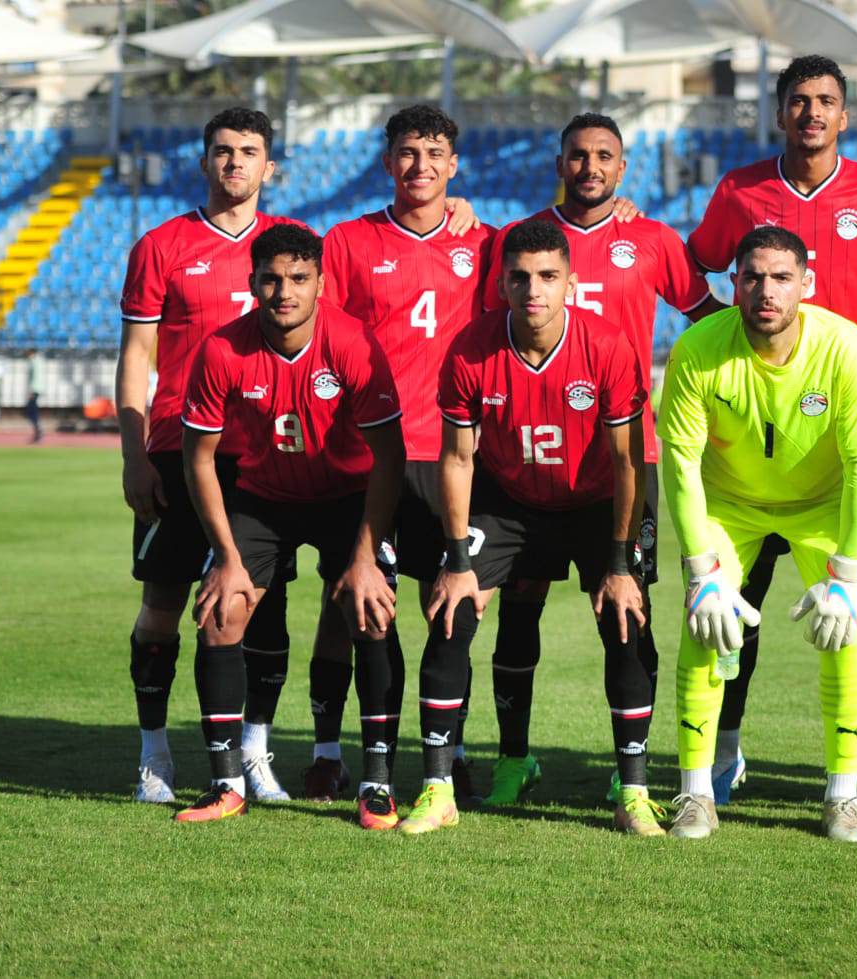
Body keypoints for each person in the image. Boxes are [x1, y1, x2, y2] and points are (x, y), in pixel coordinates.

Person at [686, 54, 857, 805]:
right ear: (780, 113)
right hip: (754, 426)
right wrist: (715, 328)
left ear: (844, 116)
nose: (811, 112)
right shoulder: (739, 191)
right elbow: (691, 265)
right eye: (798, 100)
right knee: (736, 601)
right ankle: (726, 749)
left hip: (849, 428)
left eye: (825, 101)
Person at [475, 112, 722, 806]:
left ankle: (629, 768)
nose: (590, 166)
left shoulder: (649, 239)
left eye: (603, 156)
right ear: (561, 162)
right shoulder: (520, 242)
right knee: (517, 610)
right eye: (578, 155)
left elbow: (709, 318)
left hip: (619, 464)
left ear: (623, 168)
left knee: (625, 608)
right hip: (523, 466)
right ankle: (514, 758)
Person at [424, 220, 657, 835]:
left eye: (548, 276)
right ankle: (447, 785)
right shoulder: (471, 347)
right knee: (452, 613)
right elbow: (456, 458)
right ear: (501, 283)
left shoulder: (606, 346)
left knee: (627, 620)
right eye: (521, 277)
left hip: (597, 503)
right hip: (510, 502)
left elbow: (628, 462)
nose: (534, 289)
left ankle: (631, 787)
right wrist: (455, 560)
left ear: (570, 283)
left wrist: (619, 563)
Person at [658, 226, 857, 842]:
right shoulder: (697, 349)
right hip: (730, 506)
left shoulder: (846, 347)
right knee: (705, 628)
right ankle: (696, 793)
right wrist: (702, 573)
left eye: (782, 277)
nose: (767, 290)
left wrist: (847, 575)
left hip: (823, 504)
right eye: (753, 276)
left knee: (844, 633)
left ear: (807, 284)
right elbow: (679, 464)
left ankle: (842, 798)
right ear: (733, 284)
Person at [176, 224, 406, 826]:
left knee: (372, 608)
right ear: (251, 282)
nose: (285, 291)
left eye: (299, 279)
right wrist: (225, 556)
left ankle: (377, 783)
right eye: (272, 279)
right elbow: (198, 459)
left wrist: (364, 556)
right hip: (263, 498)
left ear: (320, 284)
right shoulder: (222, 349)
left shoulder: (354, 343)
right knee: (223, 610)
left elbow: (390, 460)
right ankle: (226, 783)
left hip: (348, 498)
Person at [116, 108, 303, 805]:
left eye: (249, 152)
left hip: (261, 455)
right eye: (222, 151)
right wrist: (133, 455)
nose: (234, 163)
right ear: (205, 161)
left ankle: (254, 750)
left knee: (264, 605)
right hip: (173, 448)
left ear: (269, 166)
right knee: (162, 603)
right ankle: (154, 754)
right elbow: (137, 356)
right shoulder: (162, 245)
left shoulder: (290, 250)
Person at [313, 104, 496, 805]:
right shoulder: (350, 241)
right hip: (369, 455)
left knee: (451, 610)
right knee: (357, 607)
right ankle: (342, 754)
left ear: (454, 165)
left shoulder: (485, 243)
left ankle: (448, 757)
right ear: (387, 162)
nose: (420, 165)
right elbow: (328, 339)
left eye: (434, 153)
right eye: (407, 152)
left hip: (451, 455)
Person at [25, 348, 43, 443]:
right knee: (32, 411)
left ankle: (38, 430)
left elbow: (35, 377)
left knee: (31, 411)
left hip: (35, 390)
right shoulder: (40, 361)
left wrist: (31, 391)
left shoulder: (34, 361)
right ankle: (37, 430)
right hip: (37, 389)